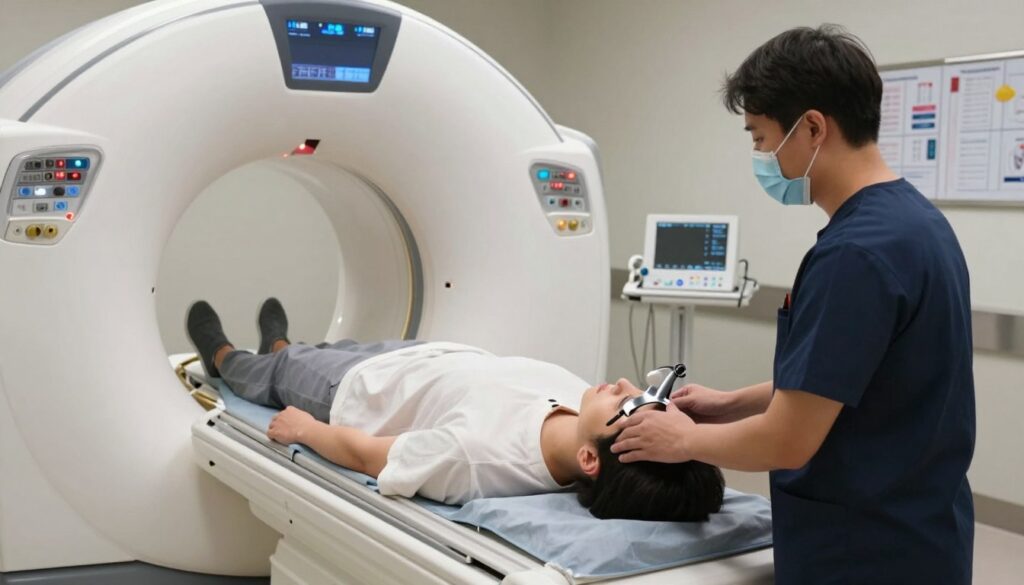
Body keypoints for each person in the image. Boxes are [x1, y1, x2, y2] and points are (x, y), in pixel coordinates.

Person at [611, 25, 975, 584]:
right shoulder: (917, 224)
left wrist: (682, 438)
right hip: (923, 533)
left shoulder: (854, 255)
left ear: (811, 128)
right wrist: (731, 402)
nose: (759, 156)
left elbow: (788, 439)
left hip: (863, 553)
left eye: (759, 138)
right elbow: (854, 380)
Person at [187, 298, 725, 521]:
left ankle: (224, 353)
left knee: (279, 376)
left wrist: (306, 429)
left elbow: (370, 454)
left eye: (627, 403)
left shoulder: (475, 460)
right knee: (313, 352)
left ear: (590, 459)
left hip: (357, 393)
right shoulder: (587, 413)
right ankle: (281, 343)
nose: (625, 382)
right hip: (422, 361)